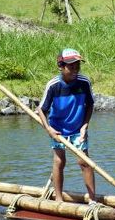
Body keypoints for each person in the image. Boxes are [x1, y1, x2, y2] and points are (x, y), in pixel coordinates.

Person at [37, 48, 96, 204]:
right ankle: (59, 199)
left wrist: (85, 126)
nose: (75, 70)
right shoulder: (53, 85)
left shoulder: (84, 82)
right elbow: (41, 110)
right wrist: (49, 129)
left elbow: (90, 105)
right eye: (71, 67)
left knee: (84, 161)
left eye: (77, 66)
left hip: (78, 127)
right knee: (59, 161)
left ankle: (92, 200)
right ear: (61, 66)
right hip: (58, 129)